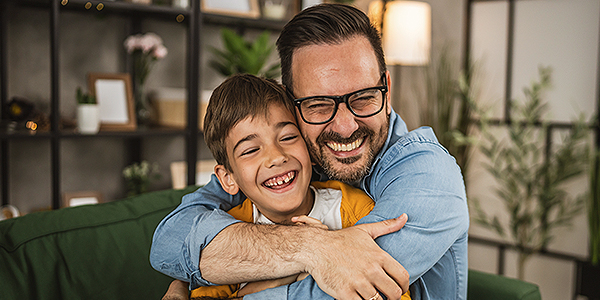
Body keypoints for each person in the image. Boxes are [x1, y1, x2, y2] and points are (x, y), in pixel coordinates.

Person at [151, 4, 469, 300]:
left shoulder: (429, 174)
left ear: (386, 89)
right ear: (293, 106)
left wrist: (223, 272)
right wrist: (312, 246)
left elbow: (347, 289)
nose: (345, 126)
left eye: (363, 97)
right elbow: (170, 242)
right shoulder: (295, 159)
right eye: (319, 104)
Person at [185, 73, 410, 300]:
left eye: (288, 137)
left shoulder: (355, 210)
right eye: (251, 150)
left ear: (310, 148)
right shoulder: (228, 232)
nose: (276, 157)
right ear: (228, 178)